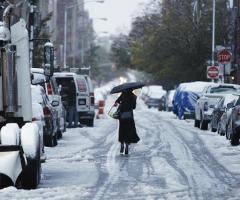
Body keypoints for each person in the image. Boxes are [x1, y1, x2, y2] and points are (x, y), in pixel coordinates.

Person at [115, 90, 140, 154]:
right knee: (128, 131)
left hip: (122, 116)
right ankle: (126, 146)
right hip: (129, 116)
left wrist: (121, 103)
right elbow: (134, 107)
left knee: (122, 130)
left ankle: (122, 144)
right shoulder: (133, 96)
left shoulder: (123, 94)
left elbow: (117, 101)